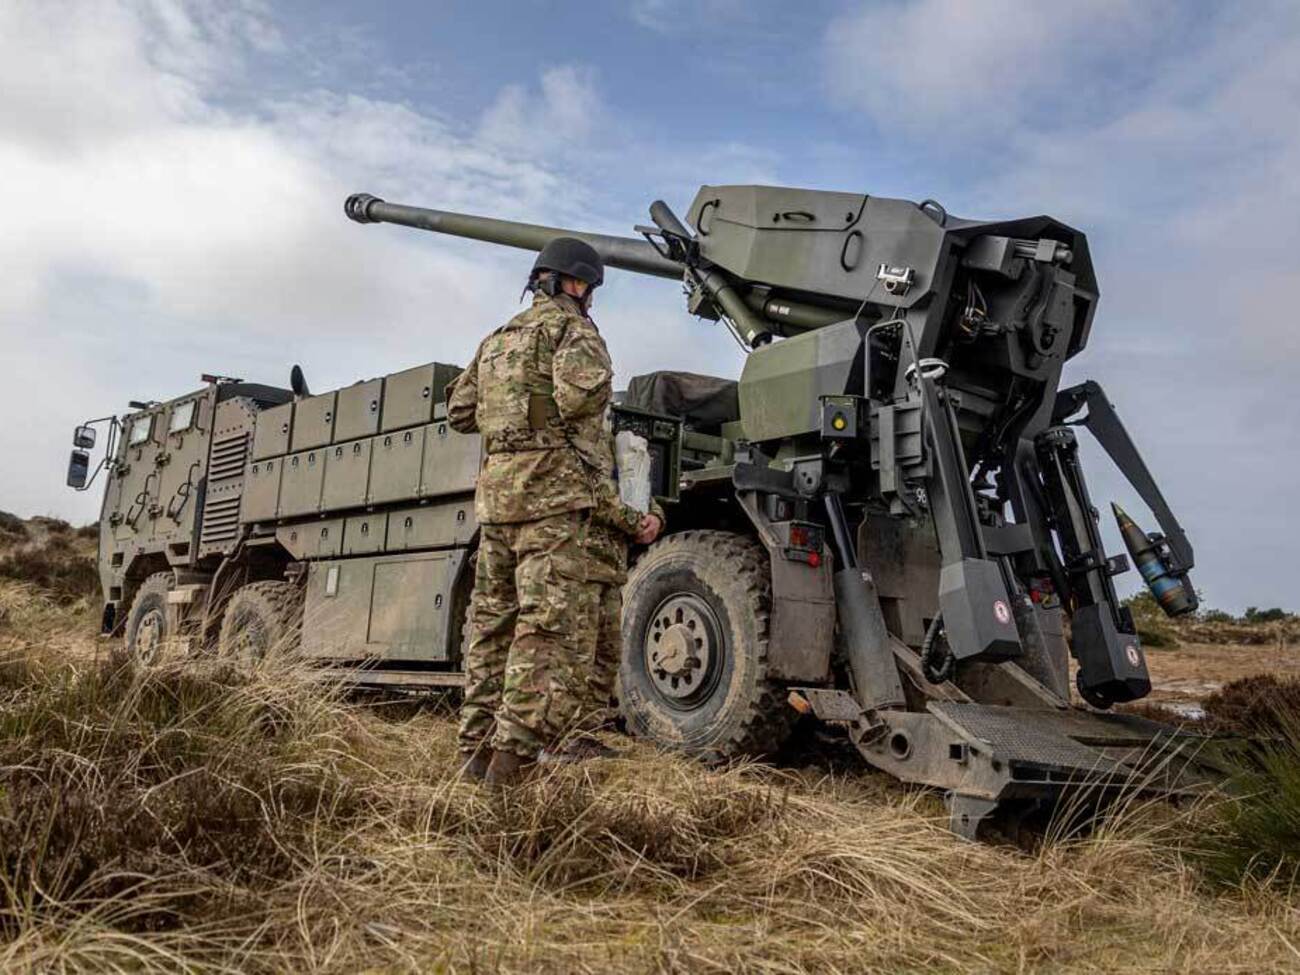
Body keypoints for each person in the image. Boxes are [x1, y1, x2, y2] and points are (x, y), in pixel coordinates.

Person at [446, 237, 661, 787]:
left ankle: (473, 748)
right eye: (588, 287)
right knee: (545, 628)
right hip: (551, 504)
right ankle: (512, 761)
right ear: (575, 283)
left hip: (496, 502)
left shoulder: (496, 339)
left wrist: (515, 411)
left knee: (492, 624)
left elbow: (460, 411)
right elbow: (579, 401)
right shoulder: (574, 331)